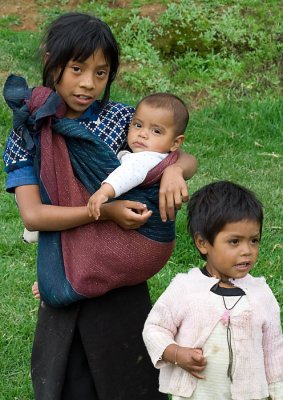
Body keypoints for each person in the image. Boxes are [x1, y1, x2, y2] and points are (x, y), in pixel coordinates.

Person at [3, 12, 197, 400]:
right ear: (51, 61)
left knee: (130, 380)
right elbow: (34, 215)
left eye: (101, 73)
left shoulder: (124, 119)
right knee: (67, 382)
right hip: (68, 277)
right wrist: (105, 212)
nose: (89, 83)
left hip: (121, 283)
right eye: (77, 69)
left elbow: (177, 155)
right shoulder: (27, 136)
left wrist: (176, 171)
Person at [143, 181, 283, 400]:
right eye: (234, 241)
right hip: (197, 394)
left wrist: (278, 391)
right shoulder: (185, 288)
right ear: (202, 243)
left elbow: (274, 349)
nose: (247, 251)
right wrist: (176, 354)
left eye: (254, 240)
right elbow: (154, 328)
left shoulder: (261, 294)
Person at [87, 92, 188, 220]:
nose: (142, 134)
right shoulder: (163, 157)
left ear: (175, 143)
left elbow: (128, 173)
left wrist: (104, 192)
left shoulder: (147, 159)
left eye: (156, 131)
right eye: (138, 125)